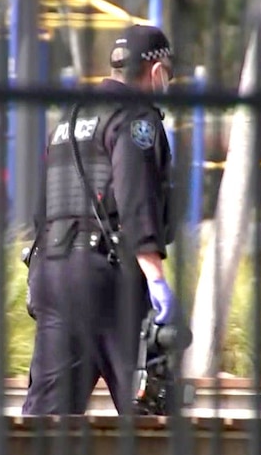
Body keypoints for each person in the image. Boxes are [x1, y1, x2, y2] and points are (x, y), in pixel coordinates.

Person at [21, 24, 178, 415]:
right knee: (151, 405)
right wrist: (156, 280)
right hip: (105, 281)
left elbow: (45, 205)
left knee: (47, 418)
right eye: (169, 76)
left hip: (51, 274)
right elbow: (135, 196)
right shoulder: (136, 118)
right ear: (156, 73)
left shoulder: (70, 117)